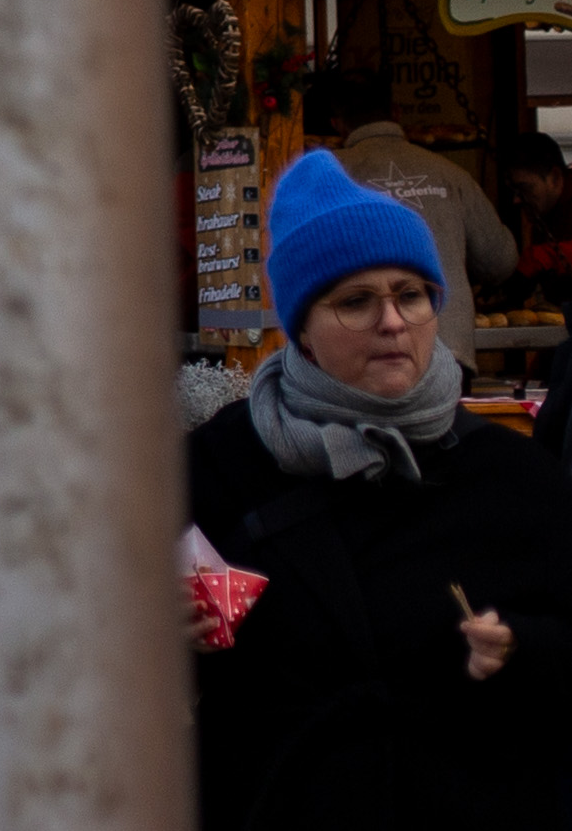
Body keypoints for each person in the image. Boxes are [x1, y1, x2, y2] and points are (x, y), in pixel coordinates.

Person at [187, 146, 572, 823]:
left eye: (410, 295)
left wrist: (523, 645)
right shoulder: (219, 465)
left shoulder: (512, 475)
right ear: (302, 329)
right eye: (355, 301)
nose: (392, 321)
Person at [308, 71, 521, 360]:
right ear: (396, 113)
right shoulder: (451, 174)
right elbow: (500, 261)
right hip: (447, 350)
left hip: (367, 355)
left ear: (337, 125)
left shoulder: (325, 178)